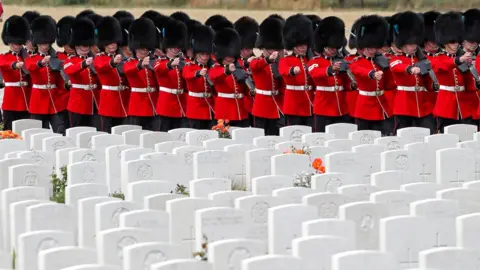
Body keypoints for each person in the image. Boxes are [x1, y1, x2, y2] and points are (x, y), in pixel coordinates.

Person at [389, 11, 436, 134]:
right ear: (403, 45)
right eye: (410, 44)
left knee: (429, 132)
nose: (413, 46)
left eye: (415, 43)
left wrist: (433, 84)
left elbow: (427, 82)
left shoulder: (422, 59)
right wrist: (410, 69)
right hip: (404, 105)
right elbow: (397, 67)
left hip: (423, 105)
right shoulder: (396, 59)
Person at [350, 15, 394, 134]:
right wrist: (372, 74)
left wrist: (389, 68)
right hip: (365, 106)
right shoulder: (356, 62)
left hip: (382, 104)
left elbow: (390, 84)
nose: (373, 50)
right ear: (362, 48)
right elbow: (360, 71)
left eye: (375, 47)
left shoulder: (381, 62)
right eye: (370, 48)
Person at [432, 12, 473, 132]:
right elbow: (443, 66)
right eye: (452, 42)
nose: (455, 45)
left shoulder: (463, 57)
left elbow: (468, 83)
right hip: (446, 104)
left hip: (463, 104)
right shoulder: (438, 58)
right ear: (444, 43)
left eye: (456, 42)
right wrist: (459, 60)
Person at [308, 16, 350, 132]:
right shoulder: (315, 61)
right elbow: (315, 73)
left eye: (335, 48)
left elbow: (345, 83)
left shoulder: (341, 60)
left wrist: (352, 85)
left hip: (341, 107)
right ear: (323, 46)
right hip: (323, 107)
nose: (334, 50)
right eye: (331, 48)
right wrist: (329, 70)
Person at [26, 15, 67, 134]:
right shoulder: (32, 58)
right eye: (42, 42)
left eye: (47, 42)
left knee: (60, 130)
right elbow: (30, 67)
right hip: (38, 100)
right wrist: (41, 62)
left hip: (55, 100)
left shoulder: (58, 57)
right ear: (37, 43)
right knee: (39, 133)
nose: (45, 45)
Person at [94, 16, 130, 133]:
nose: (113, 44)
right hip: (108, 100)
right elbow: (101, 67)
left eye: (115, 42)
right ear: (104, 44)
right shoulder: (100, 57)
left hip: (122, 100)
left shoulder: (123, 57)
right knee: (106, 132)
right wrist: (112, 62)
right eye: (110, 42)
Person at [250, 16, 285, 135]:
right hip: (262, 106)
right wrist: (268, 60)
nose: (273, 51)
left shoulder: (280, 63)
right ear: (262, 48)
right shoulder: (256, 61)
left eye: (276, 48)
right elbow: (256, 66)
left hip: (277, 105)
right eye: (270, 48)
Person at [63, 17, 100, 128]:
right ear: (76, 45)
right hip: (78, 103)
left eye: (87, 45)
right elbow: (70, 70)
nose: (84, 48)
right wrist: (83, 64)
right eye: (82, 45)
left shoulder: (95, 59)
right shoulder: (70, 60)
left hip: (93, 102)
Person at [209, 28, 250, 127]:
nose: (230, 57)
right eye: (227, 55)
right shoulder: (216, 68)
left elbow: (245, 89)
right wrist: (227, 71)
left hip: (241, 110)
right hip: (225, 111)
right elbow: (215, 78)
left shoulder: (240, 68)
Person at [278, 14, 314, 127]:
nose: (304, 47)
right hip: (293, 103)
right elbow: (283, 71)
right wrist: (292, 71)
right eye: (300, 45)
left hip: (308, 103)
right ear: (293, 46)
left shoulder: (310, 60)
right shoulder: (286, 60)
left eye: (305, 45)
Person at [123, 17, 158, 130]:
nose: (144, 51)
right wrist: (140, 65)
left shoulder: (154, 61)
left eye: (146, 49)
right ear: (135, 48)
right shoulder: (130, 62)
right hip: (137, 105)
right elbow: (128, 70)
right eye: (141, 49)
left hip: (153, 103)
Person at [153, 18, 188, 131]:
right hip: (166, 105)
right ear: (167, 47)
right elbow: (158, 69)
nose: (176, 48)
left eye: (178, 47)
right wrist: (170, 64)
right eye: (174, 47)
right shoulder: (161, 61)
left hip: (181, 104)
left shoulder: (183, 62)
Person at [0, 15, 31, 131]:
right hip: (11, 101)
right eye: (15, 42)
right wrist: (14, 65)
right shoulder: (4, 57)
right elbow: (3, 64)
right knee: (9, 132)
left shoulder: (26, 57)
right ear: (9, 42)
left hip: (26, 101)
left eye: (20, 43)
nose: (18, 45)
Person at [183, 23, 216, 129]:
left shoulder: (212, 67)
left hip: (210, 107)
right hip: (195, 108)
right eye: (203, 54)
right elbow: (187, 75)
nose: (205, 57)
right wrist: (197, 73)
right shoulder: (190, 66)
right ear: (196, 53)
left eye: (207, 54)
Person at [234, 16, 259, 127]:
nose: (245, 52)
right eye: (242, 49)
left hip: (258, 105)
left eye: (248, 49)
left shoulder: (257, 60)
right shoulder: (233, 62)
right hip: (240, 106)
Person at [54, 15, 75, 133]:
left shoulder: (81, 59)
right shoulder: (57, 57)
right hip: (62, 101)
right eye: (66, 45)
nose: (69, 47)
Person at [460, 9, 480, 129]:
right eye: (471, 41)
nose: (474, 44)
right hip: (464, 104)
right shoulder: (456, 58)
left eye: (476, 42)